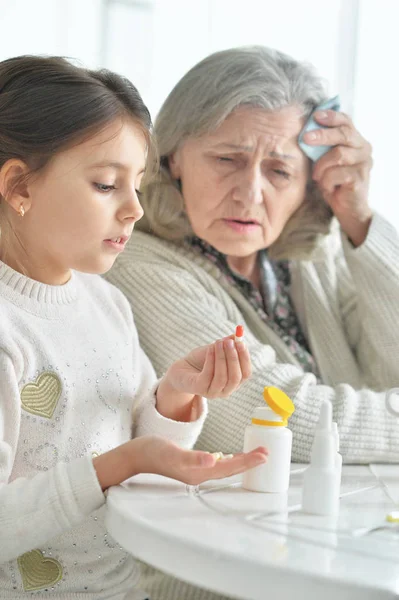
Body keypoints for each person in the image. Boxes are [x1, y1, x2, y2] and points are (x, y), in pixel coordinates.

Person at [0, 55, 268, 600]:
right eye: (106, 185)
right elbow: (119, 465)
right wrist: (118, 464)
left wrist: (173, 397)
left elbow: (142, 462)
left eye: (138, 185)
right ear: (19, 186)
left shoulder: (107, 304)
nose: (135, 210)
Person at [107, 45, 399, 466]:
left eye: (280, 171)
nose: (250, 193)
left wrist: (358, 217)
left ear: (310, 184)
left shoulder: (314, 255)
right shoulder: (138, 264)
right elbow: (274, 421)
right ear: (173, 159)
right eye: (228, 160)